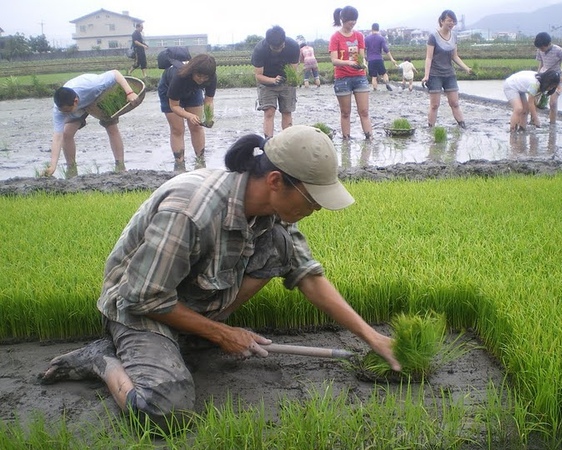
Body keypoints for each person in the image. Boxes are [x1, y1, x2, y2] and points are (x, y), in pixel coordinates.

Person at [40, 125, 401, 430]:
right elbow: (142, 296)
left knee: (278, 245)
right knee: (165, 411)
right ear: (276, 181)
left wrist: (372, 337)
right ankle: (102, 359)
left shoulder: (271, 216)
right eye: (313, 199)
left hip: (188, 297)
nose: (318, 208)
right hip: (139, 306)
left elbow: (307, 275)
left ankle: (185, 337)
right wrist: (223, 333)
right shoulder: (192, 210)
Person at [42, 70, 140, 178]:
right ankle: (71, 169)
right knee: (66, 134)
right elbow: (57, 137)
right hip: (79, 108)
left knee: (111, 127)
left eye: (67, 111)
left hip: (97, 98)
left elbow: (116, 73)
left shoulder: (93, 85)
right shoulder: (60, 110)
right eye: (63, 111)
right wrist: (53, 166)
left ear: (75, 101)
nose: (65, 113)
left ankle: (120, 166)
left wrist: (129, 92)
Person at [158, 53, 217, 172]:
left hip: (193, 91)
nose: (201, 79)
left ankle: (200, 161)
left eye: (205, 77)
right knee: (177, 129)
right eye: (199, 75)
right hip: (169, 92)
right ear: (193, 71)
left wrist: (209, 117)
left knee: (197, 126)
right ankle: (179, 165)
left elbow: (209, 100)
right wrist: (189, 115)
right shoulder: (179, 76)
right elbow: (174, 106)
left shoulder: (211, 77)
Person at [421, 9, 472, 129]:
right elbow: (428, 58)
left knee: (454, 103)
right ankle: (430, 128)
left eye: (453, 21)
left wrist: (466, 68)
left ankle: (462, 126)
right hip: (435, 75)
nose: (451, 23)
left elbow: (455, 56)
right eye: (449, 20)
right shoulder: (433, 36)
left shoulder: (454, 36)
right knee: (435, 105)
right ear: (442, 21)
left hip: (449, 74)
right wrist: (426, 75)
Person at [329, 5, 372, 140]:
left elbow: (361, 56)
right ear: (342, 19)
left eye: (354, 20)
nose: (352, 22)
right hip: (342, 79)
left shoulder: (359, 36)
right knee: (345, 112)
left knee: (364, 111)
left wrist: (362, 64)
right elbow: (334, 60)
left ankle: (369, 138)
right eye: (350, 20)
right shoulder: (335, 37)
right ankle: (346, 139)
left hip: (359, 77)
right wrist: (349, 63)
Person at [251, 25, 300, 138]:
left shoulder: (293, 46)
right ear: (269, 44)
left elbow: (293, 70)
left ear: (284, 41)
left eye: (281, 46)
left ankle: (287, 140)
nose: (279, 49)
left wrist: (291, 80)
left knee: (287, 111)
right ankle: (268, 142)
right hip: (266, 83)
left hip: (286, 83)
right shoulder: (260, 50)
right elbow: (258, 75)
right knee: (269, 112)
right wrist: (273, 80)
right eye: (275, 48)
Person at [533, 32, 562, 124]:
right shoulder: (539, 50)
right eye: (539, 48)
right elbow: (541, 63)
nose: (541, 50)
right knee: (534, 99)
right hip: (544, 76)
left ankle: (552, 124)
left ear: (549, 44)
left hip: (556, 78)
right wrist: (538, 74)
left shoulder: (558, 50)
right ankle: (533, 119)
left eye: (542, 48)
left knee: (553, 103)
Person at [364, 23, 396, 91]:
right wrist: (392, 59)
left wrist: (364, 60)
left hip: (371, 60)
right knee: (384, 73)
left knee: (374, 77)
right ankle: (387, 83)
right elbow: (385, 49)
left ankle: (375, 89)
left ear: (371, 29)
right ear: (378, 29)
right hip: (379, 59)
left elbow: (363, 49)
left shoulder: (367, 38)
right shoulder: (381, 38)